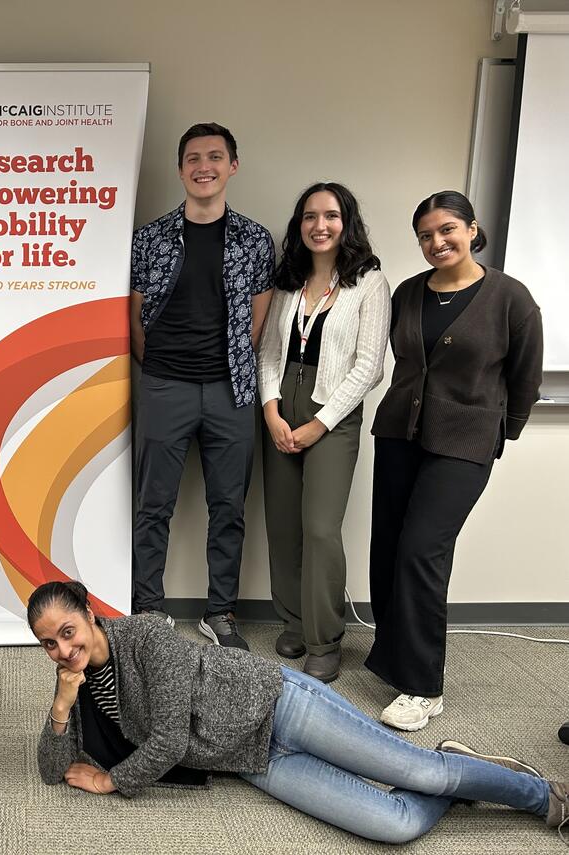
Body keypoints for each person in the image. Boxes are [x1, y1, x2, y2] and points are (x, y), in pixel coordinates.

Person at [27, 580, 567, 844]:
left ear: (90, 615)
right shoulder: (75, 681)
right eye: (49, 643)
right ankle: (460, 770)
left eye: (68, 632)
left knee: (420, 773)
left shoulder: (146, 635)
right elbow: (52, 769)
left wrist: (111, 781)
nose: (64, 650)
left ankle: (547, 797)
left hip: (282, 705)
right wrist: (60, 706)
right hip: (254, 760)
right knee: (394, 824)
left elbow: (168, 741)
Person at [367, 191, 543, 731]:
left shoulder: (511, 298)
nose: (436, 242)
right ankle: (396, 656)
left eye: (446, 229)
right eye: (425, 235)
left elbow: (526, 376)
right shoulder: (408, 293)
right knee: (388, 546)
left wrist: (501, 432)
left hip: (465, 442)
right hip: (399, 432)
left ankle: (423, 687)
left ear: (471, 229)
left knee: (422, 550)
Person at [129, 122, 274, 650]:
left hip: (230, 392)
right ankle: (148, 608)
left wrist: (224, 366)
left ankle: (221, 613)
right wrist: (161, 368)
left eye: (215, 156)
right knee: (152, 505)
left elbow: (257, 321)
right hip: (164, 386)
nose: (203, 166)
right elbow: (135, 318)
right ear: (180, 169)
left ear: (232, 166)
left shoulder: (255, 240)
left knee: (228, 507)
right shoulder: (150, 238)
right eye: (192, 158)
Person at [257, 183, 391, 682]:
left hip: (332, 413)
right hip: (281, 406)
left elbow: (369, 366)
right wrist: (271, 411)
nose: (320, 225)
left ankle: (324, 639)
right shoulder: (288, 279)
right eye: (310, 216)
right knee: (283, 526)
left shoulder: (369, 281)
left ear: (346, 222)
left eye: (331, 215)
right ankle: (294, 621)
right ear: (299, 225)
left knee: (319, 528)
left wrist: (320, 423)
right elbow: (269, 352)